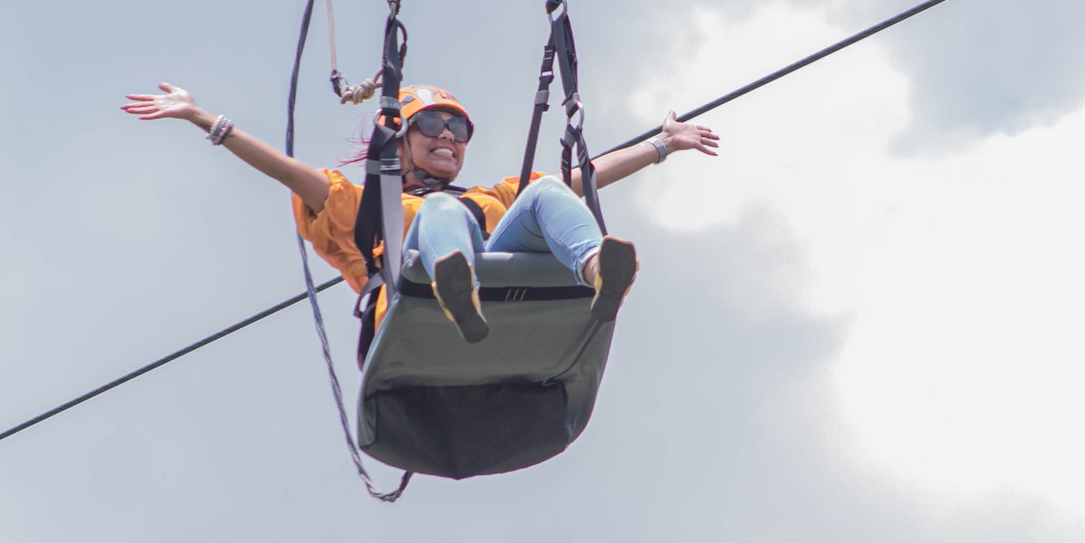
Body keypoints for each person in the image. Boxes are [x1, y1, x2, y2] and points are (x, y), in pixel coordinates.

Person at [121, 81, 719, 342]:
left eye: (458, 128)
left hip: (504, 282)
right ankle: (450, 286)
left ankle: (597, 272)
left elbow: (583, 176)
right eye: (431, 125)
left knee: (550, 194)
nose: (448, 137)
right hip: (409, 298)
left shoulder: (490, 198)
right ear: (400, 141)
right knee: (436, 214)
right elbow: (288, 171)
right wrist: (206, 120)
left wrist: (662, 144)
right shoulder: (367, 205)